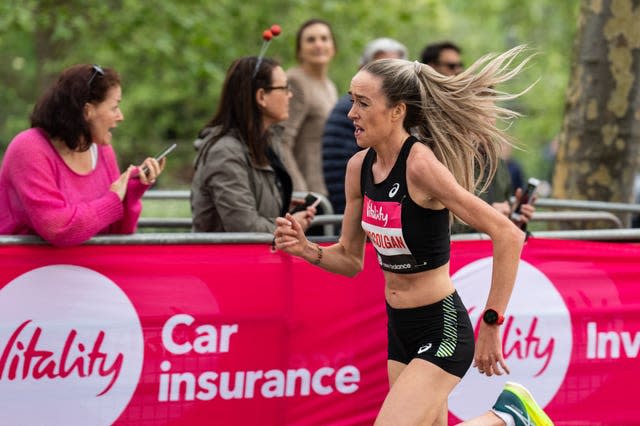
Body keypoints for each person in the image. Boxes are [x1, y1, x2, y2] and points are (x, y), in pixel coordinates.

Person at [273, 46, 553, 425]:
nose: (352, 113)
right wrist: (306, 249)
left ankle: (506, 417)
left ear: (397, 111)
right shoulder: (359, 167)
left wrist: (491, 322)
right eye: (352, 101)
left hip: (442, 327)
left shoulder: (420, 165)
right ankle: (507, 416)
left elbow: (508, 235)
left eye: (363, 103)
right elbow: (351, 260)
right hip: (400, 330)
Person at [0, 64, 164, 246]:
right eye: (114, 107)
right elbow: (58, 229)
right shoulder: (28, 148)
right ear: (87, 111)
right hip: (22, 270)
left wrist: (131, 189)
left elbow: (116, 231)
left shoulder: (102, 150)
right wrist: (112, 200)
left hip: (83, 271)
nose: (121, 116)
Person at [190, 56, 316, 233]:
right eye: (284, 88)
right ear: (262, 96)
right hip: (223, 260)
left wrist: (284, 207)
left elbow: (252, 208)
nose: (290, 94)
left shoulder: (268, 141)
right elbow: (243, 227)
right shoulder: (225, 152)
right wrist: (290, 227)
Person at [323, 37, 408, 214]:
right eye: (379, 69)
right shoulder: (357, 162)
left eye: (393, 70)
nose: (353, 113)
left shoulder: (420, 162)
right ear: (362, 69)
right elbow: (336, 172)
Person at [279, 18, 338, 197]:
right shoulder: (295, 82)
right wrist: (298, 191)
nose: (318, 44)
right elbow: (281, 141)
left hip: (327, 186)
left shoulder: (330, 86)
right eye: (311, 40)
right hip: (306, 192)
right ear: (299, 51)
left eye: (324, 38)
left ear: (333, 47)